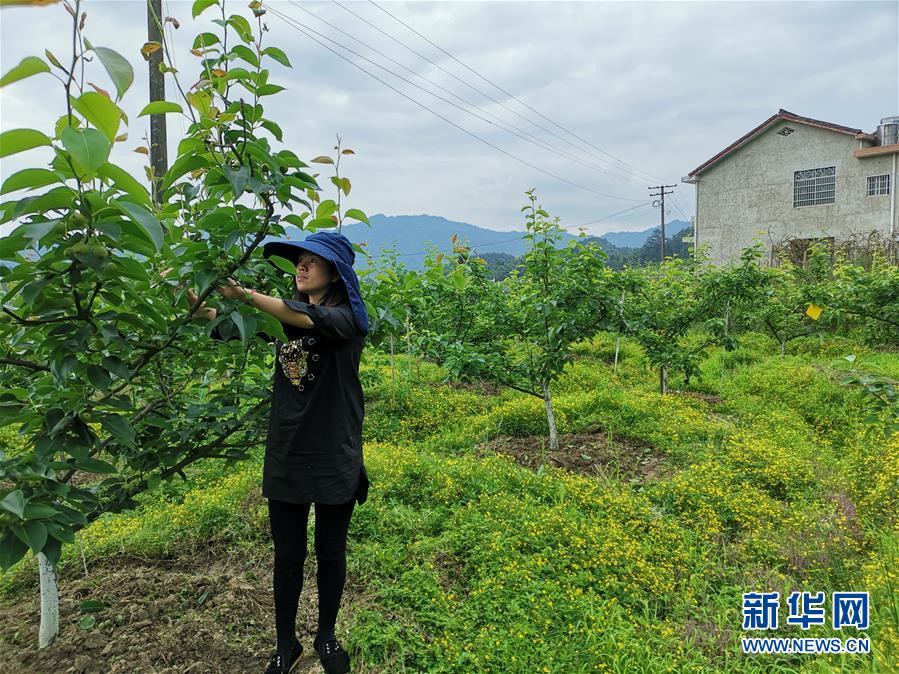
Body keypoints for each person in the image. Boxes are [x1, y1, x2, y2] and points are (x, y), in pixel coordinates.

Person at [178, 231, 370, 674]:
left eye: (312, 261)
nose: (301, 266)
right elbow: (226, 325)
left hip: (334, 450)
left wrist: (243, 294)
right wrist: (192, 287)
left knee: (330, 551)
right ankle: (287, 644)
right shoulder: (285, 322)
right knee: (287, 556)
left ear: (336, 273)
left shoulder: (346, 320)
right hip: (288, 449)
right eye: (299, 260)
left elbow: (305, 317)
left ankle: (326, 635)